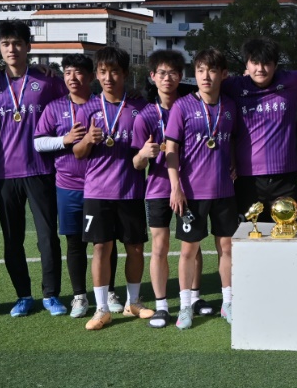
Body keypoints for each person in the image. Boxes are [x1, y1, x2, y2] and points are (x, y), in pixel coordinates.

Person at [0, 21, 66, 318]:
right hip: (5, 174)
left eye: (17, 43)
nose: (11, 49)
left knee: (47, 237)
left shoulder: (47, 80)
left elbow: (71, 104)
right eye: (5, 44)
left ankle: (51, 294)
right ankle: (23, 295)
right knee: (12, 239)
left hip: (41, 170)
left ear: (28, 46)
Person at [33, 53, 122, 318]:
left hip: (102, 186)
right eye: (68, 72)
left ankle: (109, 292)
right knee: (74, 243)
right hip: (68, 185)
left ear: (92, 76)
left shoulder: (104, 105)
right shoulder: (54, 107)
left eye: (79, 72)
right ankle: (79, 296)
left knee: (105, 242)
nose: (72, 77)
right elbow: (38, 143)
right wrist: (65, 139)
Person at [73, 47, 155, 330]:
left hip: (130, 189)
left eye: (115, 72)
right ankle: (102, 309)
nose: (108, 78)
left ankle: (134, 302)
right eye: (103, 72)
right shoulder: (87, 109)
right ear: (97, 75)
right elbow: (78, 153)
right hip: (97, 191)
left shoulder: (140, 108)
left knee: (135, 248)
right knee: (101, 248)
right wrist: (88, 140)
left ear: (125, 74)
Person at [165, 48, 242, 329]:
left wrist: (234, 161)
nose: (205, 76)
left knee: (227, 248)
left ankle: (228, 303)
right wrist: (175, 187)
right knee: (188, 250)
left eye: (211, 70)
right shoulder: (182, 106)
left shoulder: (230, 106)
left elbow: (232, 140)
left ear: (223, 74)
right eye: (200, 70)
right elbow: (171, 149)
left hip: (224, 191)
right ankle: (185, 306)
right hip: (192, 194)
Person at [223, 37, 297, 223]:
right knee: (249, 235)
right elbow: (201, 88)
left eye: (266, 63)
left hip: (284, 179)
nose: (260, 69)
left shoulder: (292, 80)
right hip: (247, 181)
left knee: (290, 235)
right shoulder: (234, 86)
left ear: (275, 65)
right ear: (246, 64)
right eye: (255, 63)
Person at [132, 49, 188, 327]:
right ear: (153, 76)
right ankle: (162, 305)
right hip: (157, 189)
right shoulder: (144, 116)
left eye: (173, 73)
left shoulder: (191, 107)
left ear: (181, 76)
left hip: (190, 188)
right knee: (160, 246)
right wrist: (144, 154)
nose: (167, 78)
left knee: (191, 245)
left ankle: (192, 299)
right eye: (162, 73)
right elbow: (136, 164)